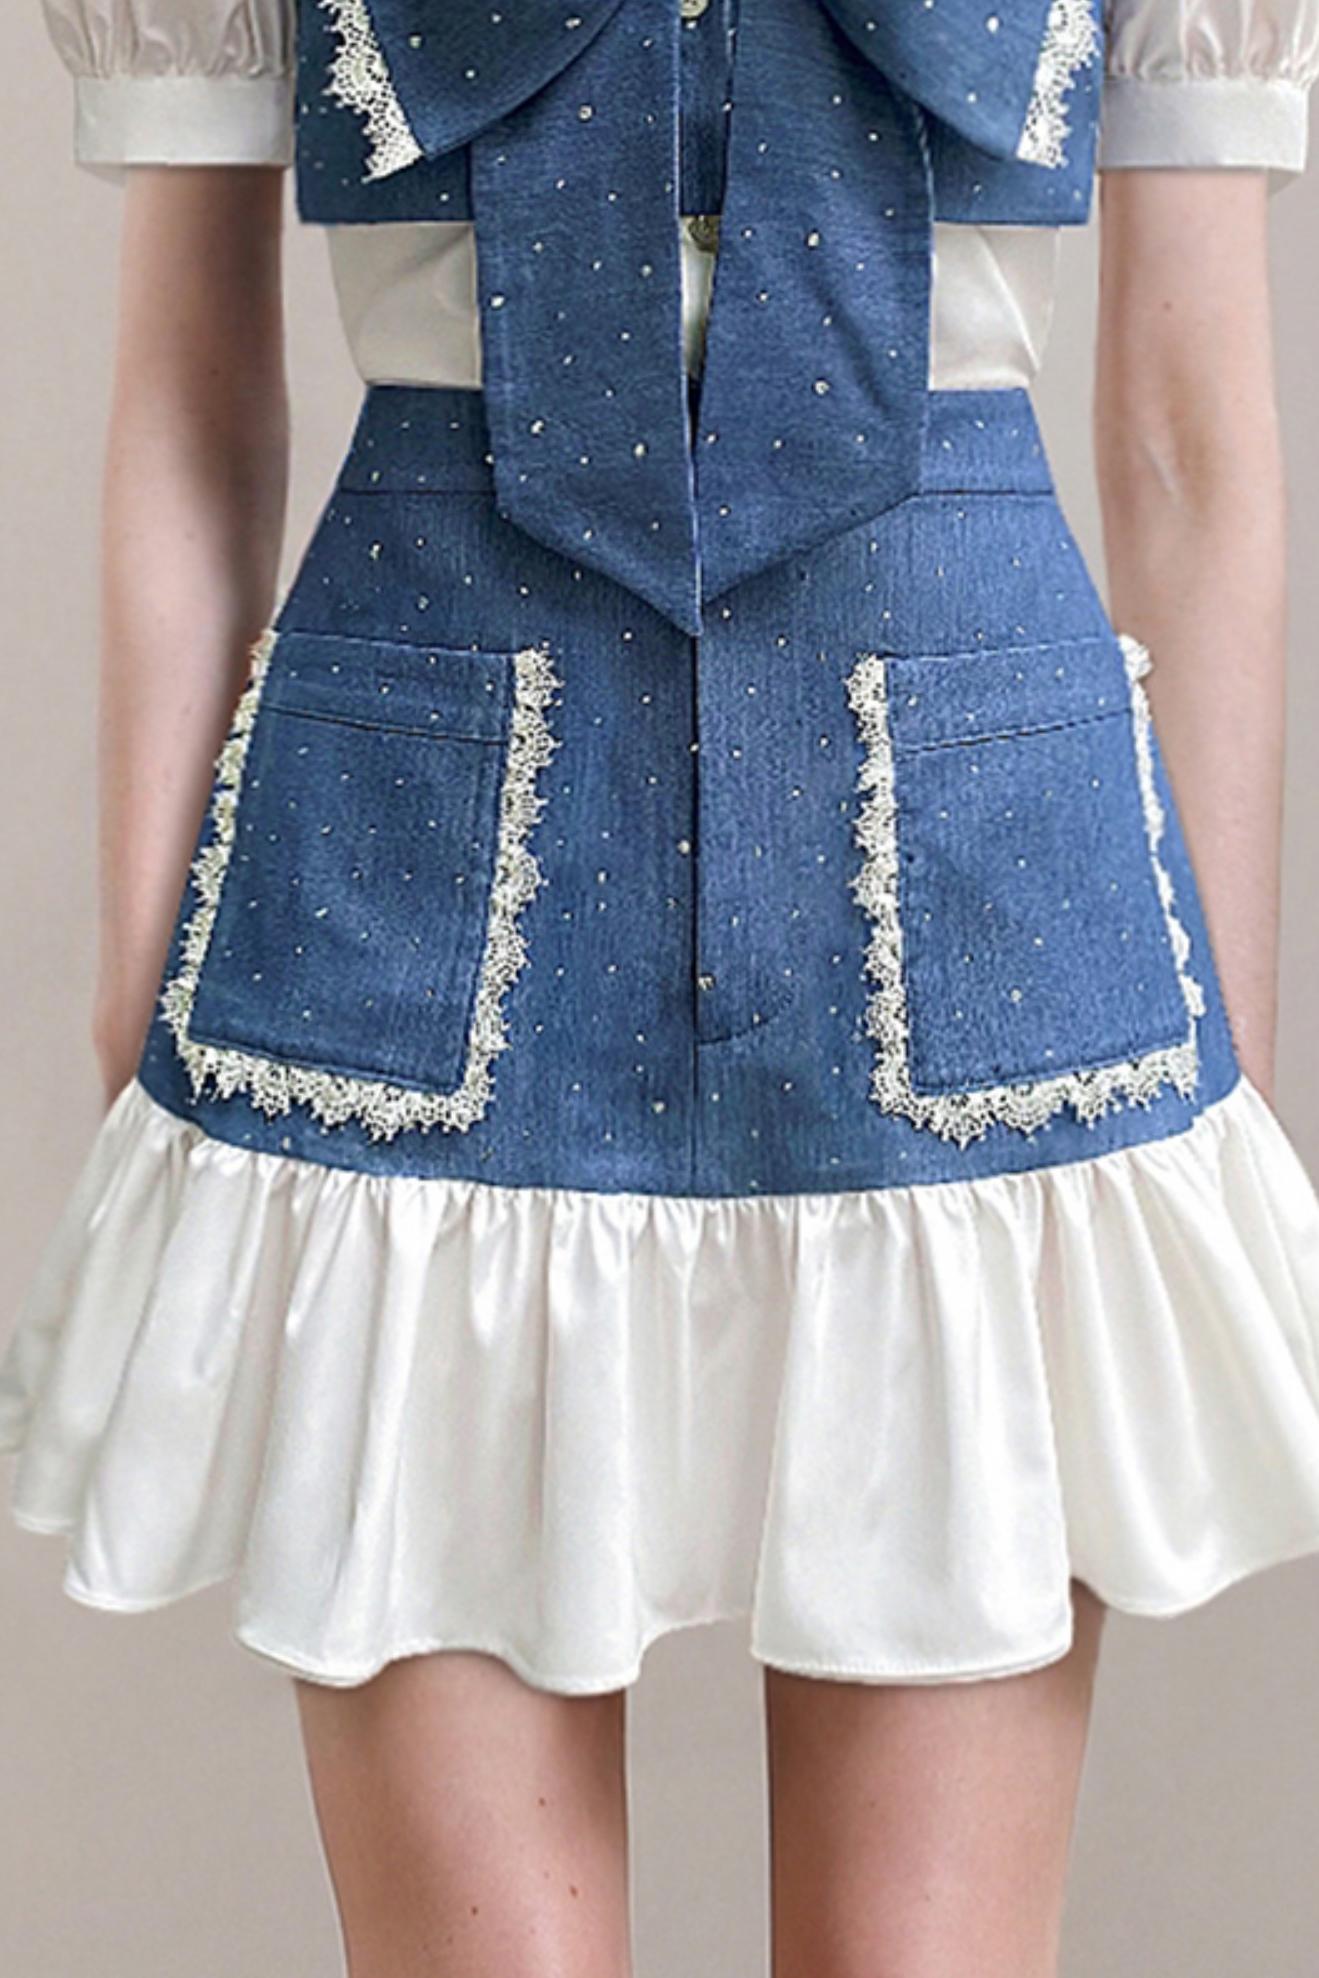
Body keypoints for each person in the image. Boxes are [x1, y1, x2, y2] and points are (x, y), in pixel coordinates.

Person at [5, 0, 1319, 1972]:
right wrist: (139, 1004)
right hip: (415, 857)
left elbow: (1187, 438)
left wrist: (1217, 1082)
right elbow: (197, 395)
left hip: (981, 871)